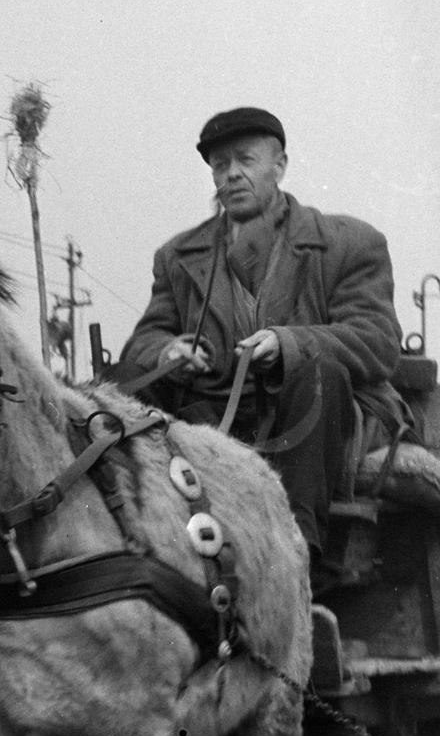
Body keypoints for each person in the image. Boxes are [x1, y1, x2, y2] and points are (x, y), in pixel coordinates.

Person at [116, 106, 407, 584]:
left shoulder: (349, 243)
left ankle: (296, 563)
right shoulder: (178, 256)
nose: (231, 174)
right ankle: (142, 548)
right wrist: (168, 351)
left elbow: (378, 342)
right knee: (120, 384)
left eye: (245, 160)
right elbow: (145, 339)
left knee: (318, 373)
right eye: (219, 164)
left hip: (316, 416)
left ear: (280, 165)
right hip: (213, 417)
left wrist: (289, 342)